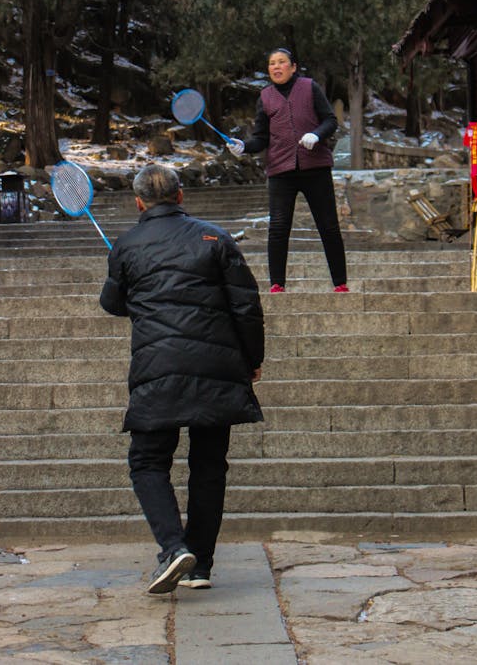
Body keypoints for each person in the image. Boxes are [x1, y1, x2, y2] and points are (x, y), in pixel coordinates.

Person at [100, 163, 265, 595]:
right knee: (208, 465)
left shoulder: (126, 245)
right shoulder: (215, 238)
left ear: (138, 202)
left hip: (158, 367)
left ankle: (173, 548)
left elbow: (113, 303)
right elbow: (246, 305)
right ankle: (200, 564)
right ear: (180, 195)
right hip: (217, 365)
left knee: (147, 461)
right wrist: (252, 360)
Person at [230, 47, 349, 294]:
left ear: (293, 67)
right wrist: (244, 147)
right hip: (281, 170)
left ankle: (340, 283)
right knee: (279, 227)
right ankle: (277, 284)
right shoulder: (265, 97)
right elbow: (261, 138)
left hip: (316, 167)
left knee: (328, 226)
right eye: (272, 63)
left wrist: (316, 135)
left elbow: (330, 120)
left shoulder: (309, 87)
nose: (276, 66)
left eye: (281, 62)